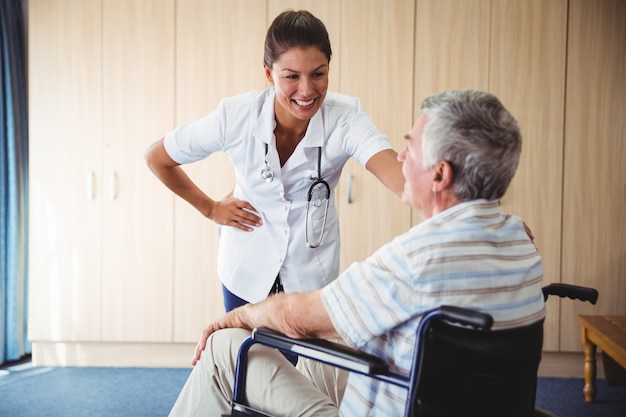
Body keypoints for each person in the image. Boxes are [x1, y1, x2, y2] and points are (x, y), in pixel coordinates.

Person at [166, 90, 547, 417]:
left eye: (410, 148)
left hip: (397, 403)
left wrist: (235, 317)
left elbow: (297, 319)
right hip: (451, 396)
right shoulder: (520, 243)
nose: (400, 158)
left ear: (440, 175)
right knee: (320, 351)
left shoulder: (414, 260)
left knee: (225, 346)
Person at [144, 10, 404, 312]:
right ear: (269, 74)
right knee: (247, 357)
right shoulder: (236, 116)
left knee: (300, 361)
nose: (306, 90)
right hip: (245, 270)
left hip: (309, 278)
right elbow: (157, 157)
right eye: (291, 76)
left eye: (318, 74)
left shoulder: (345, 117)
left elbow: (398, 176)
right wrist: (211, 208)